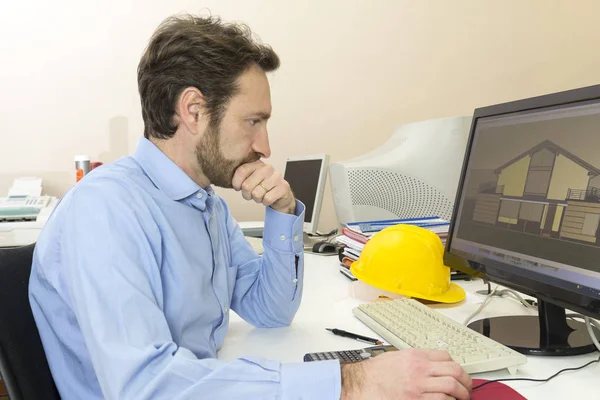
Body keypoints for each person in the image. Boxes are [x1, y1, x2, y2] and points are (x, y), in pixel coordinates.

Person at [29, 14, 472, 400]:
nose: (264, 145)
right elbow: (147, 387)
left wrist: (282, 210)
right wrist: (350, 383)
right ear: (193, 111)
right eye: (253, 121)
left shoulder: (206, 206)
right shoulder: (106, 211)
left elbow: (269, 310)